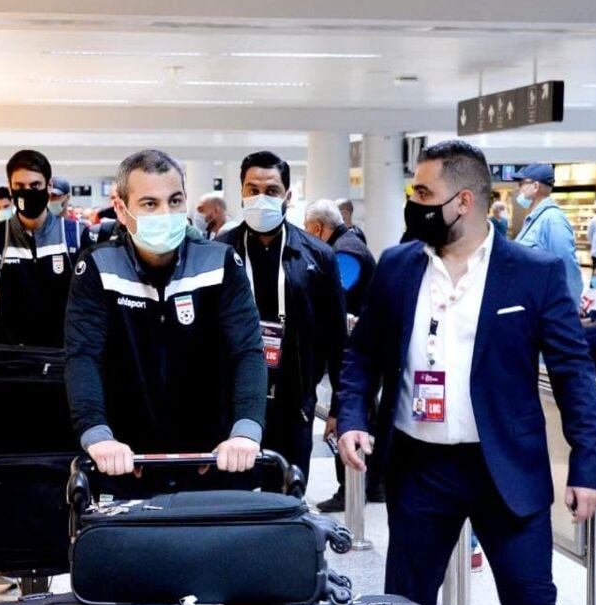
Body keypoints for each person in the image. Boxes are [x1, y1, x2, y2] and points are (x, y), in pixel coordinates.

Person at [337, 138, 596, 605]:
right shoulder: (399, 267)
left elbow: (573, 373)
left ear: (463, 201)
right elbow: (362, 354)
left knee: (533, 604)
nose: (413, 204)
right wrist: (350, 419)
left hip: (504, 468)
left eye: (423, 194)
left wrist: (588, 466)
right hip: (421, 466)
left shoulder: (532, 272)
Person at [65, 149, 265, 474]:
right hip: (124, 457)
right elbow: (84, 356)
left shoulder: (221, 262)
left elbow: (247, 351)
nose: (166, 213)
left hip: (212, 455)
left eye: (174, 201)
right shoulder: (98, 267)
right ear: (122, 210)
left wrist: (245, 430)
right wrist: (97, 435)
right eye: (149, 204)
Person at [217, 151, 347, 489]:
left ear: (287, 196)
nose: (261, 197)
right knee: (236, 499)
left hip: (294, 401)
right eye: (253, 189)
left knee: (288, 498)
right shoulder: (219, 252)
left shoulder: (317, 256)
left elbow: (336, 337)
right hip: (233, 402)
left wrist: (340, 407)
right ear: (241, 193)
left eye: (271, 190)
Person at [0, 149, 91, 346]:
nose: (27, 192)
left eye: (35, 185)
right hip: (10, 356)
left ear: (49, 186)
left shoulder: (76, 236)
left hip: (62, 355)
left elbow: (93, 301)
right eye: (19, 186)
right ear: (10, 188)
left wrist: (84, 350)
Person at [304, 198, 383, 509]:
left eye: (308, 230)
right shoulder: (348, 245)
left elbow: (332, 300)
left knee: (349, 415)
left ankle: (351, 489)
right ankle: (372, 485)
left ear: (318, 229)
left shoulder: (344, 253)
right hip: (361, 347)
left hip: (355, 351)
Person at [513, 162, 583, 305]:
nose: (518, 188)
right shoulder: (535, 219)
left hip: (545, 307)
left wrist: (568, 309)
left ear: (535, 186)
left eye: (521, 184)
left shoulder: (552, 220)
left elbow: (567, 268)